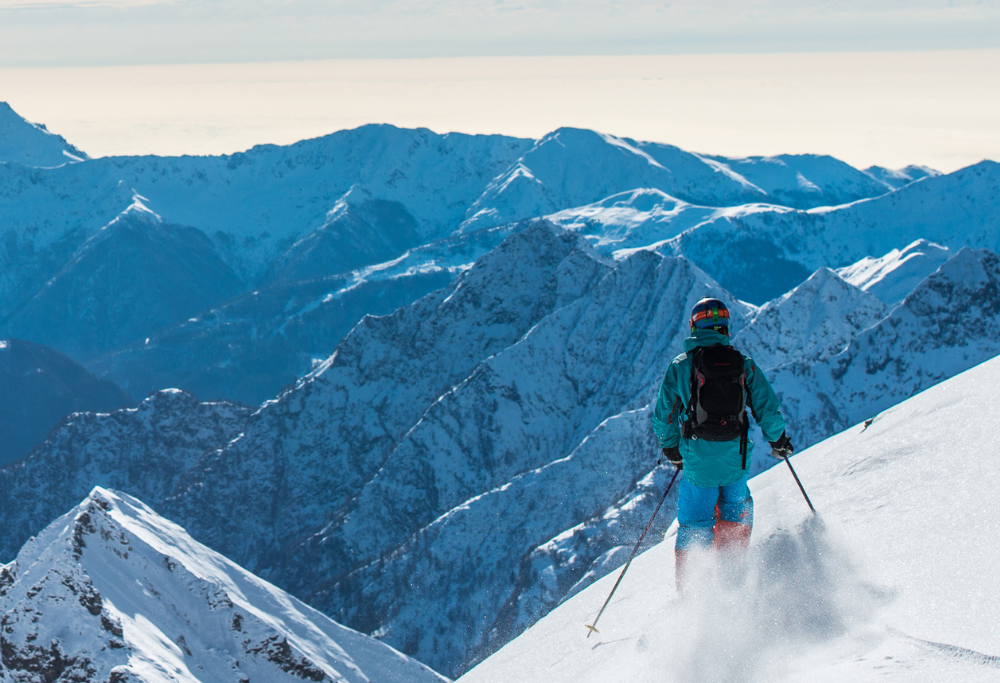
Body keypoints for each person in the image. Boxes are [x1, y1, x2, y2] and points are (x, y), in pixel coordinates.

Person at [652, 297, 793, 590]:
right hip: (736, 460)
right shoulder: (743, 365)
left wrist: (672, 448)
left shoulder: (681, 367)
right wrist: (778, 441)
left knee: (695, 523)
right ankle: (732, 581)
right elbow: (767, 408)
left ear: (694, 327)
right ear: (725, 327)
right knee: (736, 512)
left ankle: (692, 595)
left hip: (698, 463)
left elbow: (664, 416)